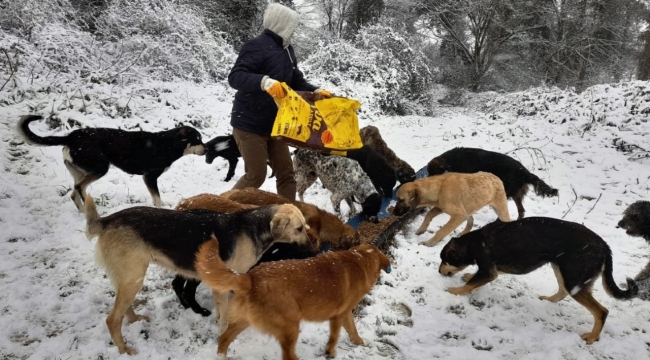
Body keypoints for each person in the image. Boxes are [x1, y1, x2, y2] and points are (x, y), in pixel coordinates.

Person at [227, 2, 331, 201]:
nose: (293, 30)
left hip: (276, 125)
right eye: (291, 26)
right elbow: (236, 76)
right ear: (282, 24)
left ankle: (289, 215)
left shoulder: (287, 50)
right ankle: (220, 209)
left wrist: (315, 90)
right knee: (256, 175)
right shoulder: (255, 46)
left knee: (286, 174)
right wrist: (264, 82)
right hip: (249, 124)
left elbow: (295, 79)